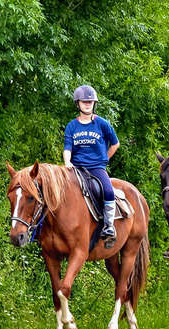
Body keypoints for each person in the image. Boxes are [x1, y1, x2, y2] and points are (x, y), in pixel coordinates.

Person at [63, 85, 120, 247]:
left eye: (90, 101)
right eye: (84, 101)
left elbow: (115, 144)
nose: (87, 104)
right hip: (77, 168)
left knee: (108, 191)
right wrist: (67, 162)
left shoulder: (102, 124)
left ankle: (109, 227)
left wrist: (104, 159)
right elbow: (68, 148)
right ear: (78, 104)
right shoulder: (72, 126)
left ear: (94, 103)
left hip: (97, 168)